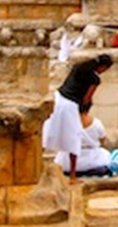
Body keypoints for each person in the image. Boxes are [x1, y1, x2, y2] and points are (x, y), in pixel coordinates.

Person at [42, 54, 113, 183]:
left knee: (48, 131)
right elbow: (86, 98)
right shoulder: (94, 79)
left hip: (59, 98)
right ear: (103, 67)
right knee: (73, 139)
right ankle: (73, 176)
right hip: (70, 104)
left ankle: (37, 164)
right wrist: (84, 111)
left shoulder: (78, 67)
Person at [53, 102, 118, 177]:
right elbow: (102, 140)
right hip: (92, 162)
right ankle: (108, 171)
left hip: (67, 164)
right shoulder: (96, 124)